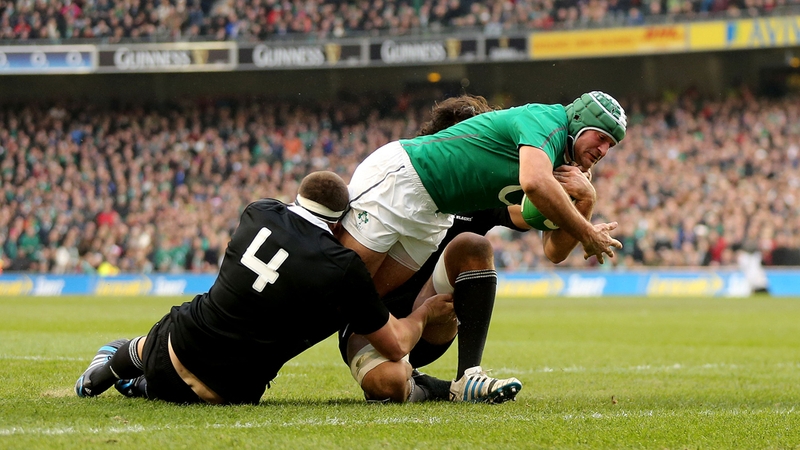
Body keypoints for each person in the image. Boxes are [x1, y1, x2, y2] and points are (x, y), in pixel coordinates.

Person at [74, 171, 455, 405]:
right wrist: (425, 313)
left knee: (162, 336)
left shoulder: (258, 211)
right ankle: (136, 381)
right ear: (342, 223)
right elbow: (396, 345)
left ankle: (106, 371)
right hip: (228, 393)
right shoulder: (343, 266)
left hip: (174, 347)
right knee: (196, 368)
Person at [338, 94, 600, 403]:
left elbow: (547, 236)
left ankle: (469, 376)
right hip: (374, 323)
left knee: (473, 245)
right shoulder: (403, 188)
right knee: (389, 385)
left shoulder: (484, 196)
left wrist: (583, 201)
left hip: (432, 322)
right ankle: (434, 387)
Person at [339, 91, 626, 299]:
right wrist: (587, 233)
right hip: (406, 178)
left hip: (436, 210)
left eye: (610, 145)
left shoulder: (563, 168)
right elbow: (534, 183)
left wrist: (587, 201)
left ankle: (421, 370)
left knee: (364, 295)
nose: (603, 151)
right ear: (578, 120)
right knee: (341, 285)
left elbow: (554, 252)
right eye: (600, 137)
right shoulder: (546, 120)